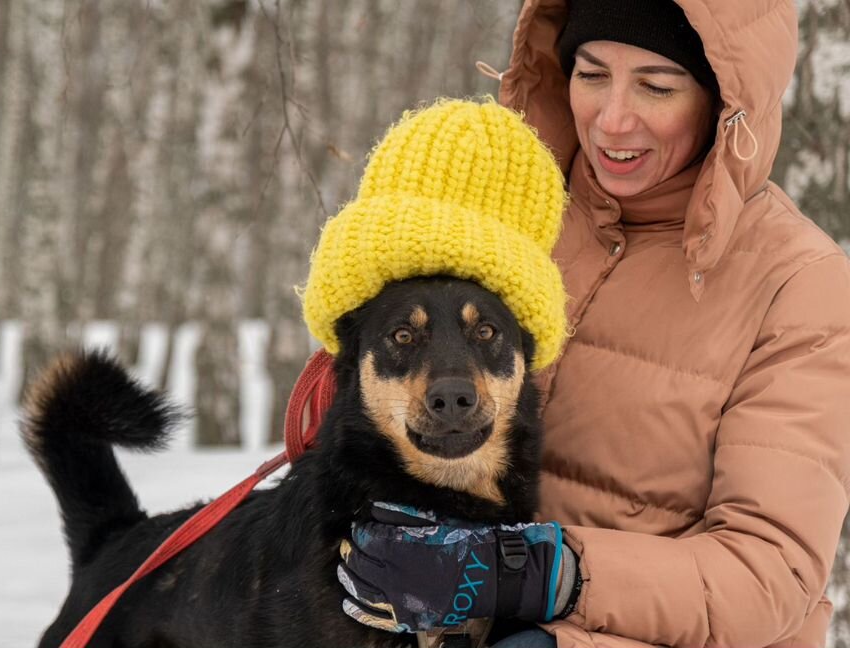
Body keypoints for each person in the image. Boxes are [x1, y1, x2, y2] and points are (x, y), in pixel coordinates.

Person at [337, 0, 850, 646]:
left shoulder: (797, 282)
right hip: (479, 615)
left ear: (724, 100)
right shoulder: (511, 220)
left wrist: (547, 573)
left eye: (656, 87)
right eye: (591, 73)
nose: (612, 120)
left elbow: (769, 573)